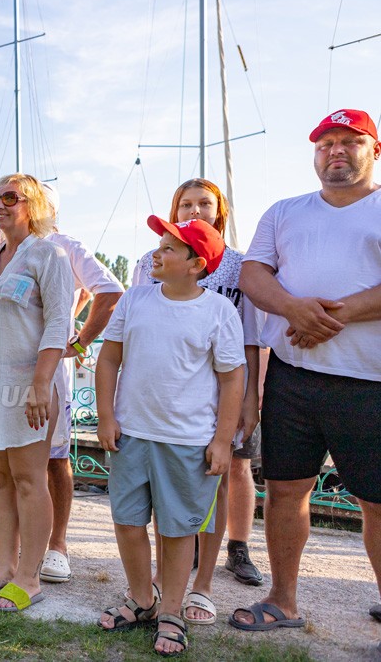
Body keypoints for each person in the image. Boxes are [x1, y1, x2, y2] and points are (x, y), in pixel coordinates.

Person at [232, 109, 381, 633]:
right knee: (285, 489)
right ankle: (283, 600)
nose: (335, 150)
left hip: (371, 381)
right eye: (325, 143)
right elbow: (253, 273)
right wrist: (295, 310)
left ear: (374, 150)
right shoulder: (284, 211)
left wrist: (331, 316)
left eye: (349, 141)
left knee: (377, 501)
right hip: (293, 376)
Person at [96, 216, 244, 656]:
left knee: (179, 530)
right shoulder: (135, 300)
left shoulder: (220, 311)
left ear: (196, 264)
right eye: (157, 246)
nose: (155, 254)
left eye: (167, 249)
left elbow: (233, 379)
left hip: (188, 440)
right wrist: (106, 416)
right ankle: (141, 597)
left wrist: (222, 440)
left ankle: (172, 612)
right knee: (126, 520)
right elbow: (108, 362)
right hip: (131, 434)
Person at [131, 178, 264, 622]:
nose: (194, 210)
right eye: (184, 204)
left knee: (225, 474)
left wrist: (250, 398)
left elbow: (249, 338)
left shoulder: (240, 266)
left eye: (203, 204)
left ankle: (212, 574)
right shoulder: (148, 265)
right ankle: (166, 575)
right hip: (169, 402)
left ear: (219, 210)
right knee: (166, 488)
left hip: (222, 393)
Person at [0, 175, 73, 612]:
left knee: (30, 479)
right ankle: (5, 568)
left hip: (28, 385)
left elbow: (59, 323)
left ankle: (30, 575)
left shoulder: (49, 253)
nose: (1, 205)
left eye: (11, 197)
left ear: (34, 205)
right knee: (0, 480)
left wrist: (41, 383)